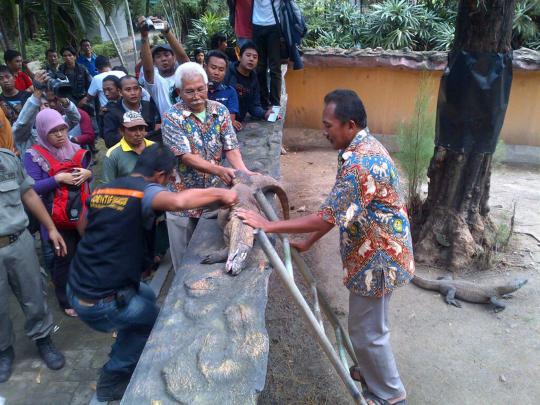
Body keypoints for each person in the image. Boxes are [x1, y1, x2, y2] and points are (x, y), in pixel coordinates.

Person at [237, 90, 413, 405]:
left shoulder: (360, 163)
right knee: (366, 328)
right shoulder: (356, 150)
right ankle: (375, 377)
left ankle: (389, 395)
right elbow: (338, 211)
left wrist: (268, 225)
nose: (324, 131)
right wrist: (307, 241)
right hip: (375, 251)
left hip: (379, 259)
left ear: (350, 124)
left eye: (329, 125)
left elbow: (323, 218)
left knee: (368, 332)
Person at [66, 144, 237, 401]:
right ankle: (112, 379)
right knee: (155, 323)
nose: (169, 183)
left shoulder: (104, 188)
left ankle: (126, 337)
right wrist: (223, 195)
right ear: (160, 175)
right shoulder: (143, 193)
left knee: (146, 296)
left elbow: (82, 226)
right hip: (102, 302)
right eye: (169, 178)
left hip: (78, 284)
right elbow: (179, 201)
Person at [162, 62, 256, 271]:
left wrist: (244, 173)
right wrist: (220, 170)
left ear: (207, 86)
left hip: (214, 198)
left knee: (210, 257)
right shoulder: (171, 118)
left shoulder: (220, 111)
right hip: (182, 201)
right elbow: (186, 157)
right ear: (179, 92)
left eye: (200, 89)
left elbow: (231, 148)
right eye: (189, 91)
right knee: (184, 263)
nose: (196, 95)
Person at [0, 147, 67, 383]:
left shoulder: (7, 160)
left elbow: (28, 194)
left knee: (33, 294)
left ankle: (44, 339)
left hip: (18, 241)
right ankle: (4, 351)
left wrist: (50, 228)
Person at [23, 108, 92, 317]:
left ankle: (85, 292)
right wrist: (57, 179)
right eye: (54, 131)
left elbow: (87, 180)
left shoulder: (75, 148)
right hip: (55, 218)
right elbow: (30, 189)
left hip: (80, 213)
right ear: (43, 132)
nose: (60, 135)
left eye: (62, 129)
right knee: (64, 257)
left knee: (84, 253)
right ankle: (65, 300)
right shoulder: (33, 155)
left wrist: (88, 173)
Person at [138, 16, 190, 115]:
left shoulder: (183, 74)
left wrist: (166, 31)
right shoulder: (156, 82)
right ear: (154, 62)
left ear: (174, 58)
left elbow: (184, 59)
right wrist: (144, 35)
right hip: (170, 129)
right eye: (158, 56)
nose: (163, 59)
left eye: (166, 55)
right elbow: (148, 70)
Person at [103, 75, 161, 147]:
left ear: (140, 90)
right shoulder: (112, 113)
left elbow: (158, 131)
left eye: (136, 88)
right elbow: (109, 141)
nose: (133, 93)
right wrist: (131, 136)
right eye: (128, 90)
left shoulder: (149, 106)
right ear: (120, 92)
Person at [224, 42, 270, 123]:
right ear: (240, 57)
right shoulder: (227, 74)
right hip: (223, 122)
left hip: (239, 123)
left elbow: (254, 106)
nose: (251, 59)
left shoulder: (254, 78)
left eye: (255, 57)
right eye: (248, 55)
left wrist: (265, 114)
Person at [102, 111, 154, 182]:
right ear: (121, 131)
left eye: (141, 128)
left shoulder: (155, 147)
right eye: (132, 129)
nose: (138, 133)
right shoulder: (112, 155)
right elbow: (107, 187)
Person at [251, 0, 282, 109]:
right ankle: (262, 102)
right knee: (259, 67)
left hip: (274, 26)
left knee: (275, 68)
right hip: (256, 25)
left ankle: (275, 105)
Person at [205, 50, 241, 131]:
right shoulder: (197, 90)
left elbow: (229, 122)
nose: (216, 73)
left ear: (225, 72)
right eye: (213, 68)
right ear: (205, 67)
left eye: (221, 70)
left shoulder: (230, 92)